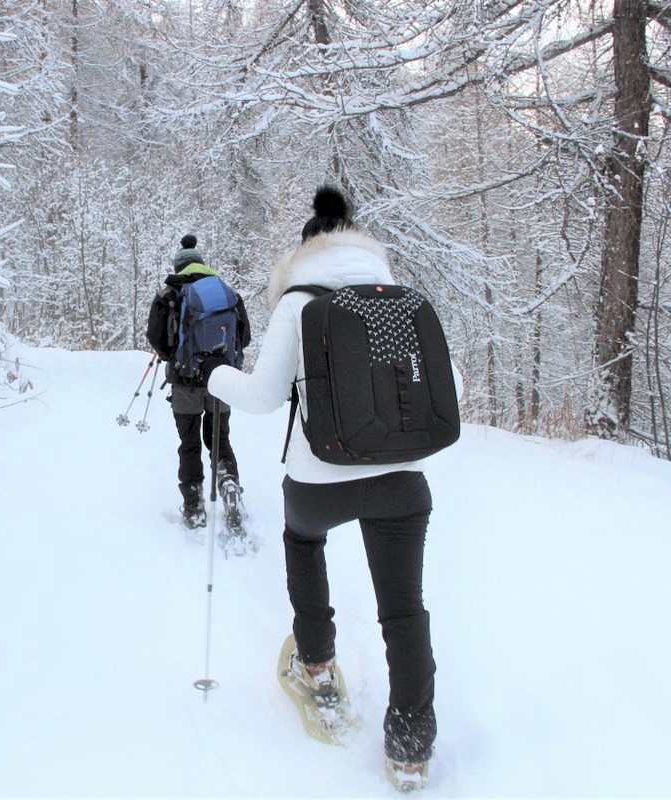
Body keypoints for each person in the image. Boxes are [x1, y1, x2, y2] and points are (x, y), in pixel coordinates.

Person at [204, 187, 457, 788]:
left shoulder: (296, 302)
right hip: (402, 482)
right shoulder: (399, 302)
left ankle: (316, 664)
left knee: (303, 541)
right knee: (404, 610)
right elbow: (450, 389)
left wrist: (218, 376)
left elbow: (265, 397)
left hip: (320, 477)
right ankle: (410, 747)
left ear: (305, 249)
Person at [146, 234, 251, 529]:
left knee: (189, 443)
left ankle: (194, 506)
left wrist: (173, 358)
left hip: (185, 382)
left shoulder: (169, 294)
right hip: (221, 380)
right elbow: (245, 337)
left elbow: (156, 337)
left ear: (178, 266)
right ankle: (228, 482)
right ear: (202, 264)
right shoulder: (227, 292)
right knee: (220, 439)